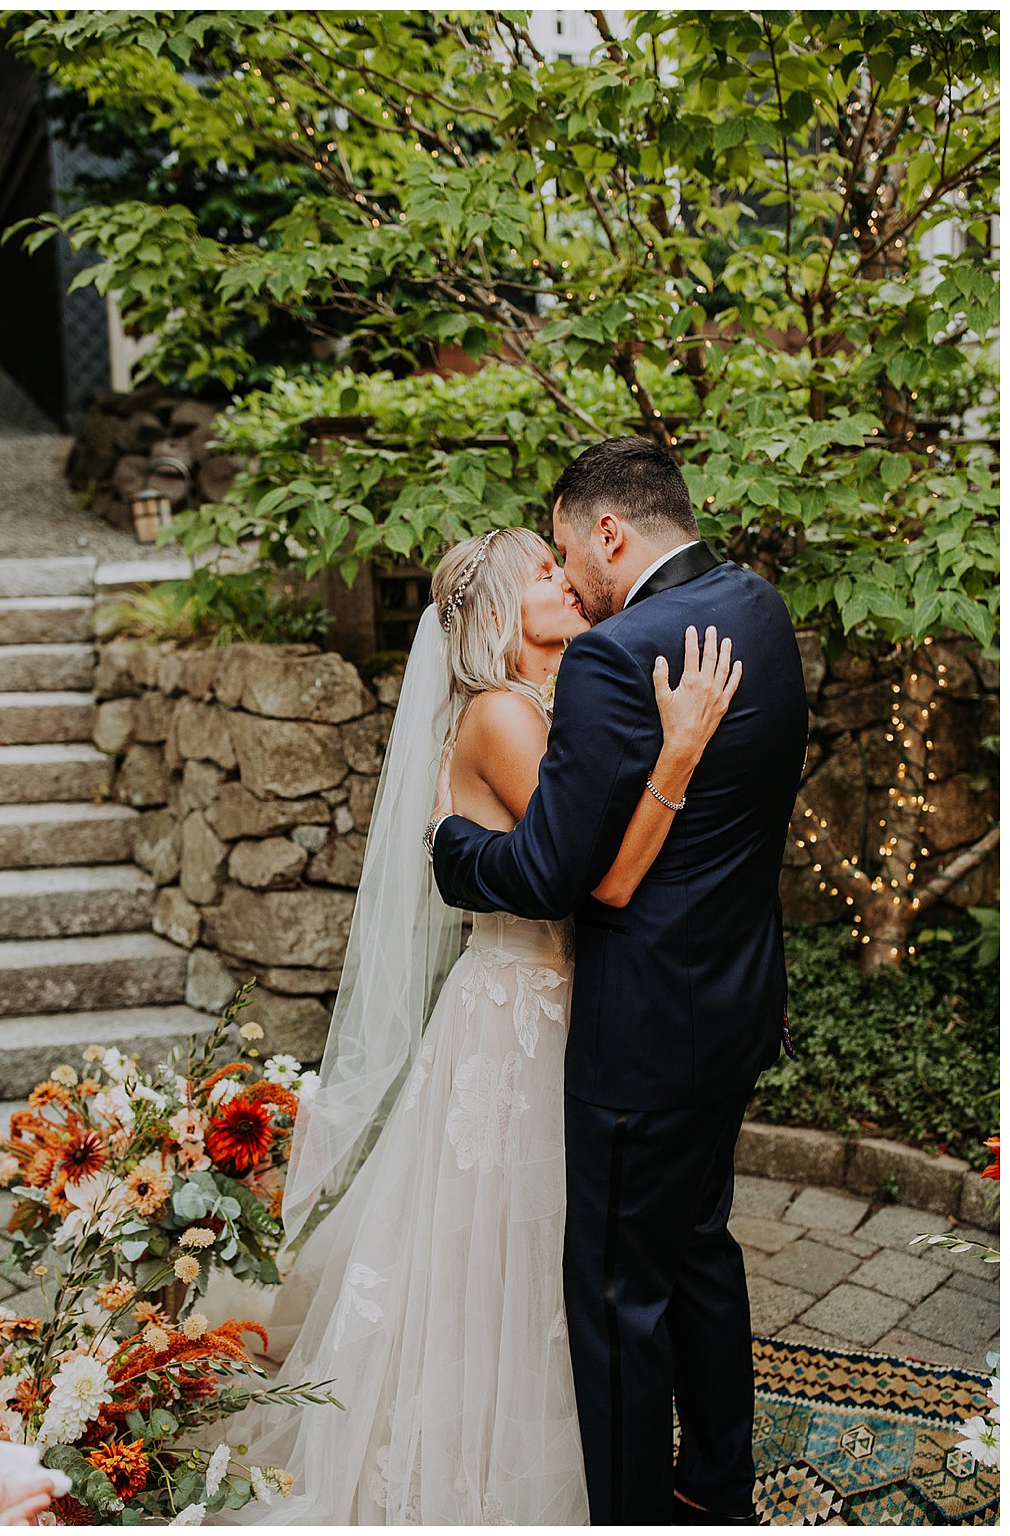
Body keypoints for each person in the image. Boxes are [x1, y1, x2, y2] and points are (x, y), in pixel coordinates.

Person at [228, 524, 740, 1525]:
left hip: (558, 1005)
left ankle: (589, 1442)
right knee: (521, 1245)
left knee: (561, 1245)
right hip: (517, 1015)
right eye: (546, 573)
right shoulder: (503, 716)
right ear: (503, 612)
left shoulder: (544, 704)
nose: (568, 580)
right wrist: (678, 750)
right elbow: (599, 876)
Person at [430, 438, 809, 1526]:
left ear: (608, 531)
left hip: (640, 1038)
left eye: (563, 548)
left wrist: (452, 855)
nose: (567, 576)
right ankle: (717, 1489)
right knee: (697, 1249)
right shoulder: (757, 610)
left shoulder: (612, 658)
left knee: (614, 1298)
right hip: (735, 1007)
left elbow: (555, 876)